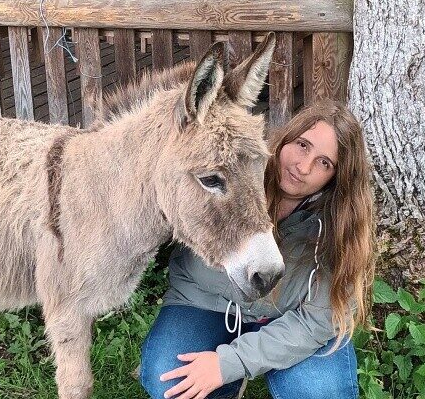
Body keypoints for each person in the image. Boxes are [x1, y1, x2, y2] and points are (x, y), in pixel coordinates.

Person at [140, 99, 375, 399]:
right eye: (303, 145)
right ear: (286, 138)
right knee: (169, 381)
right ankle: (223, 387)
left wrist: (229, 363)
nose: (304, 167)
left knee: (321, 393)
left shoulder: (339, 223)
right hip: (207, 303)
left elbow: (318, 320)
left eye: (324, 162)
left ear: (336, 176)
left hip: (290, 319)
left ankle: (231, 372)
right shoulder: (230, 170)